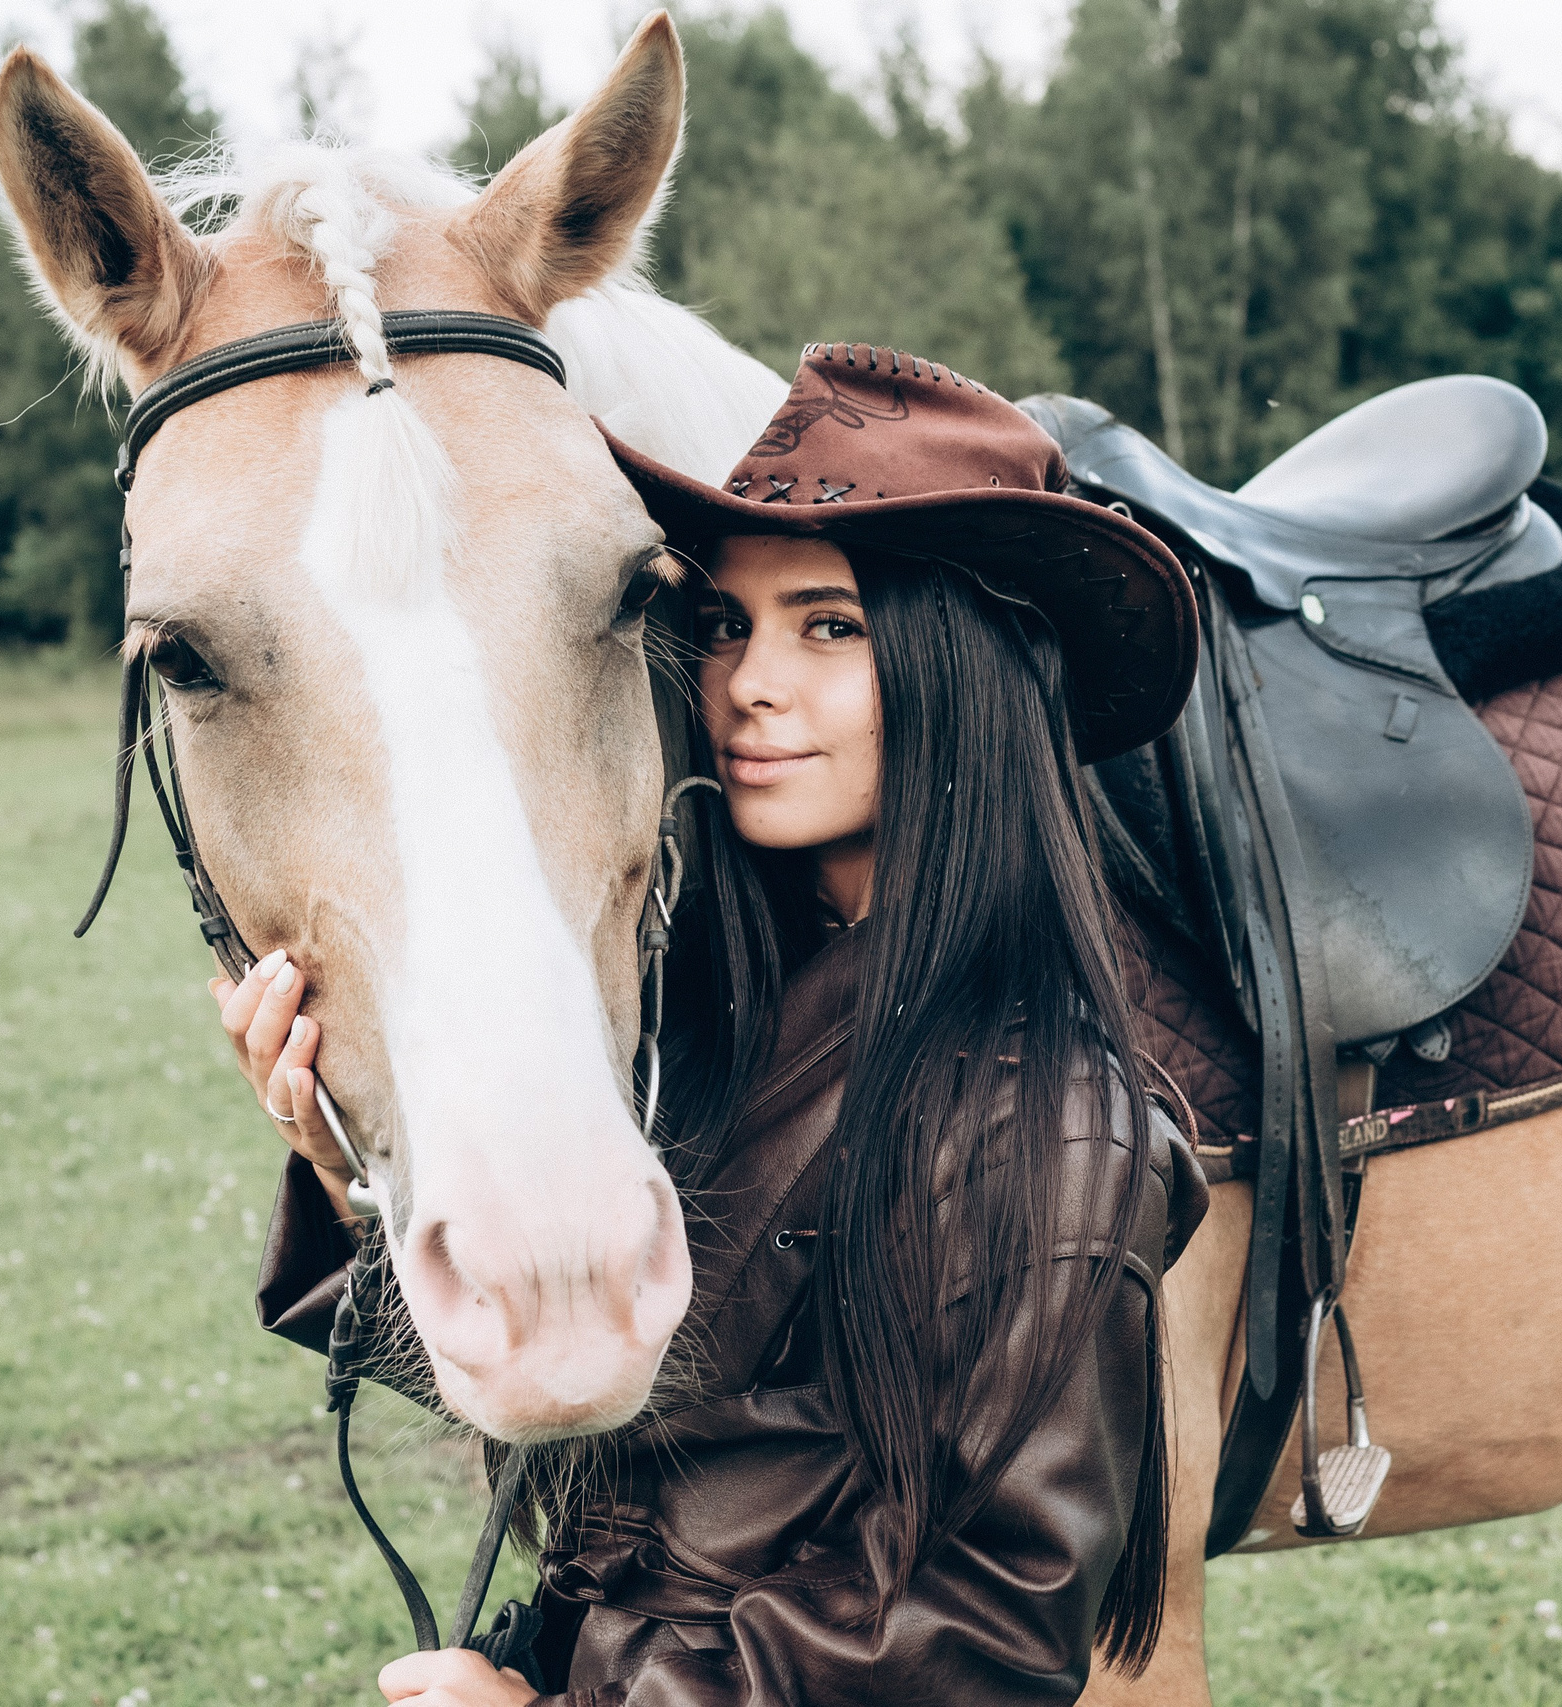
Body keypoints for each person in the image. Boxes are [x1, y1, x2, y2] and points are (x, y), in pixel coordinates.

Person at [214, 344, 1211, 1705]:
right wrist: (341, 1164)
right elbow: (558, 1371)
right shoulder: (696, 1020)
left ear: (964, 670)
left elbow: (983, 1639)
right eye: (729, 623)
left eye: (830, 627)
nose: (747, 680)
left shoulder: (1046, 1126)